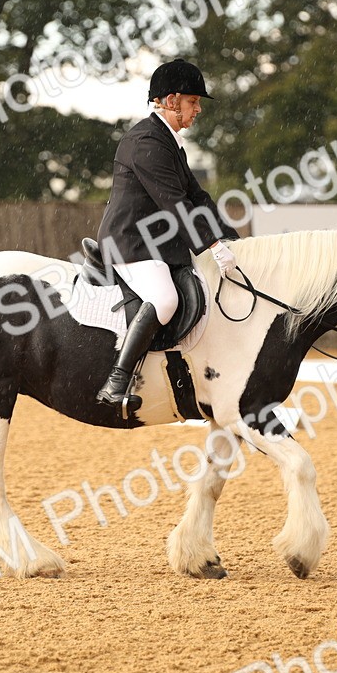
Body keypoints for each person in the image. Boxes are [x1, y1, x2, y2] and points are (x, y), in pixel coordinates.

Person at [95, 58, 240, 412]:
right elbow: (174, 204)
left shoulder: (169, 142)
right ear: (172, 100)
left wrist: (230, 238)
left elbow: (198, 198)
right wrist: (211, 245)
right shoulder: (145, 140)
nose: (198, 109)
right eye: (193, 102)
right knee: (165, 300)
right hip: (131, 243)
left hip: (157, 245)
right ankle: (116, 383)